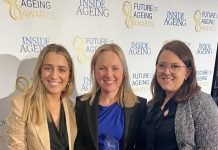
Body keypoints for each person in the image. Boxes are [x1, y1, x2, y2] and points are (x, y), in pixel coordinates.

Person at [136, 40, 218, 150]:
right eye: (162, 65)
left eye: (174, 66)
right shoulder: (152, 105)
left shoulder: (202, 103)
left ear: (187, 72)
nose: (166, 71)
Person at [74, 43, 147, 150]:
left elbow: (142, 146)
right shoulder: (81, 104)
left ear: (124, 72)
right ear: (94, 71)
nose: (109, 74)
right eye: (102, 68)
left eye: (115, 68)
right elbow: (79, 145)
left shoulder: (139, 106)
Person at [6, 44, 77, 150]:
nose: (54, 75)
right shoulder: (21, 106)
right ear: (40, 72)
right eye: (48, 68)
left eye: (61, 70)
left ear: (69, 75)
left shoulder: (71, 106)